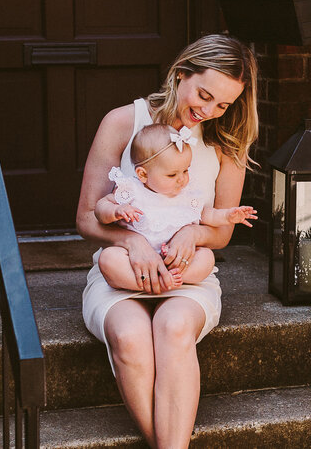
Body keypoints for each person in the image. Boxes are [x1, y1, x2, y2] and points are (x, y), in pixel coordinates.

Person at [78, 34, 258, 449]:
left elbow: (221, 231)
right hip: (123, 274)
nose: (208, 111)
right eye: (204, 94)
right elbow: (88, 216)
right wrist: (132, 242)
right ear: (181, 75)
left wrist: (192, 231)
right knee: (130, 336)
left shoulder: (226, 145)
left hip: (185, 274)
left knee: (173, 326)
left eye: (223, 105)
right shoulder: (123, 121)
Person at [93, 122, 257, 290]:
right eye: (172, 174)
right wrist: (115, 211)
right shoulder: (131, 190)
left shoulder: (186, 195)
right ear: (143, 174)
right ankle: (146, 282)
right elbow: (100, 209)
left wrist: (228, 216)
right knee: (108, 259)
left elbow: (207, 214)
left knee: (206, 258)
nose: (182, 179)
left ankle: (171, 278)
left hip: (175, 261)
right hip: (135, 260)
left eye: (185, 170)